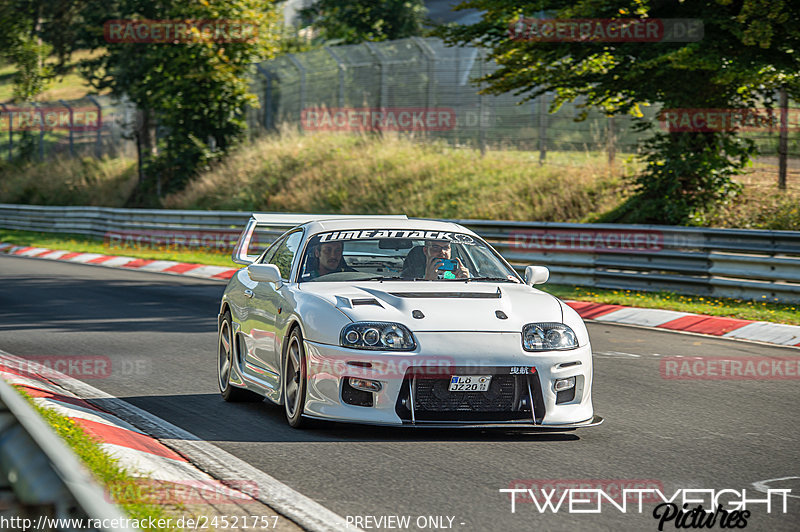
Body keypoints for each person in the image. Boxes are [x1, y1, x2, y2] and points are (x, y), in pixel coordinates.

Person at [401, 239, 469, 280]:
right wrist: (427, 280)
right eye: (435, 247)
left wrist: (466, 281)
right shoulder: (411, 274)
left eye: (446, 247)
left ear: (450, 250)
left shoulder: (459, 272)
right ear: (425, 251)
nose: (442, 252)